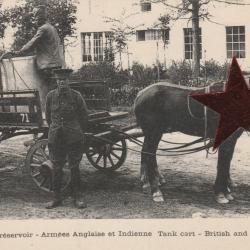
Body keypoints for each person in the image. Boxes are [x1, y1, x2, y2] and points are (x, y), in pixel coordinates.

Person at [45, 68, 88, 209]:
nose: (61, 82)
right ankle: (56, 198)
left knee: (74, 167)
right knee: (56, 167)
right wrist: (55, 129)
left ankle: (78, 197)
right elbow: (48, 117)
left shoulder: (76, 96)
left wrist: (75, 129)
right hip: (57, 137)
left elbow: (83, 117)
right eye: (59, 80)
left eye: (64, 79)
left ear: (68, 81)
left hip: (73, 137)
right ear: (56, 81)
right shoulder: (50, 96)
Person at [16, 4, 64, 90]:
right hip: (56, 64)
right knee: (54, 89)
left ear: (40, 18)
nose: (35, 21)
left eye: (35, 18)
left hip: (48, 66)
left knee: (45, 90)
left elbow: (32, 43)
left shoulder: (43, 29)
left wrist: (20, 52)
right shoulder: (52, 28)